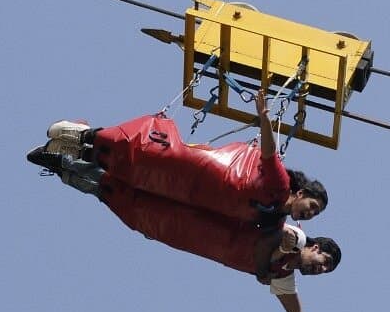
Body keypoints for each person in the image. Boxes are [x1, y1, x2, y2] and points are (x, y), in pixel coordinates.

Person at [28, 147, 343, 312]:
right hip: (197, 214)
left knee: (129, 205)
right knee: (142, 187)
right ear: (315, 245)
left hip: (188, 234)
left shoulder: (283, 277)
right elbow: (286, 235)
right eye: (323, 260)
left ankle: (65, 166)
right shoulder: (294, 235)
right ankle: (84, 149)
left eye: (324, 270)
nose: (320, 268)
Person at [41, 89, 328, 226]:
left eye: (313, 215)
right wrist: (264, 118)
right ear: (300, 193)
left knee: (137, 176)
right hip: (199, 171)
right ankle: (86, 135)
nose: (309, 214)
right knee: (148, 154)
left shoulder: (271, 219)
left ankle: (79, 150)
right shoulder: (279, 187)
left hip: (190, 193)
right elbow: (268, 153)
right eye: (312, 206)